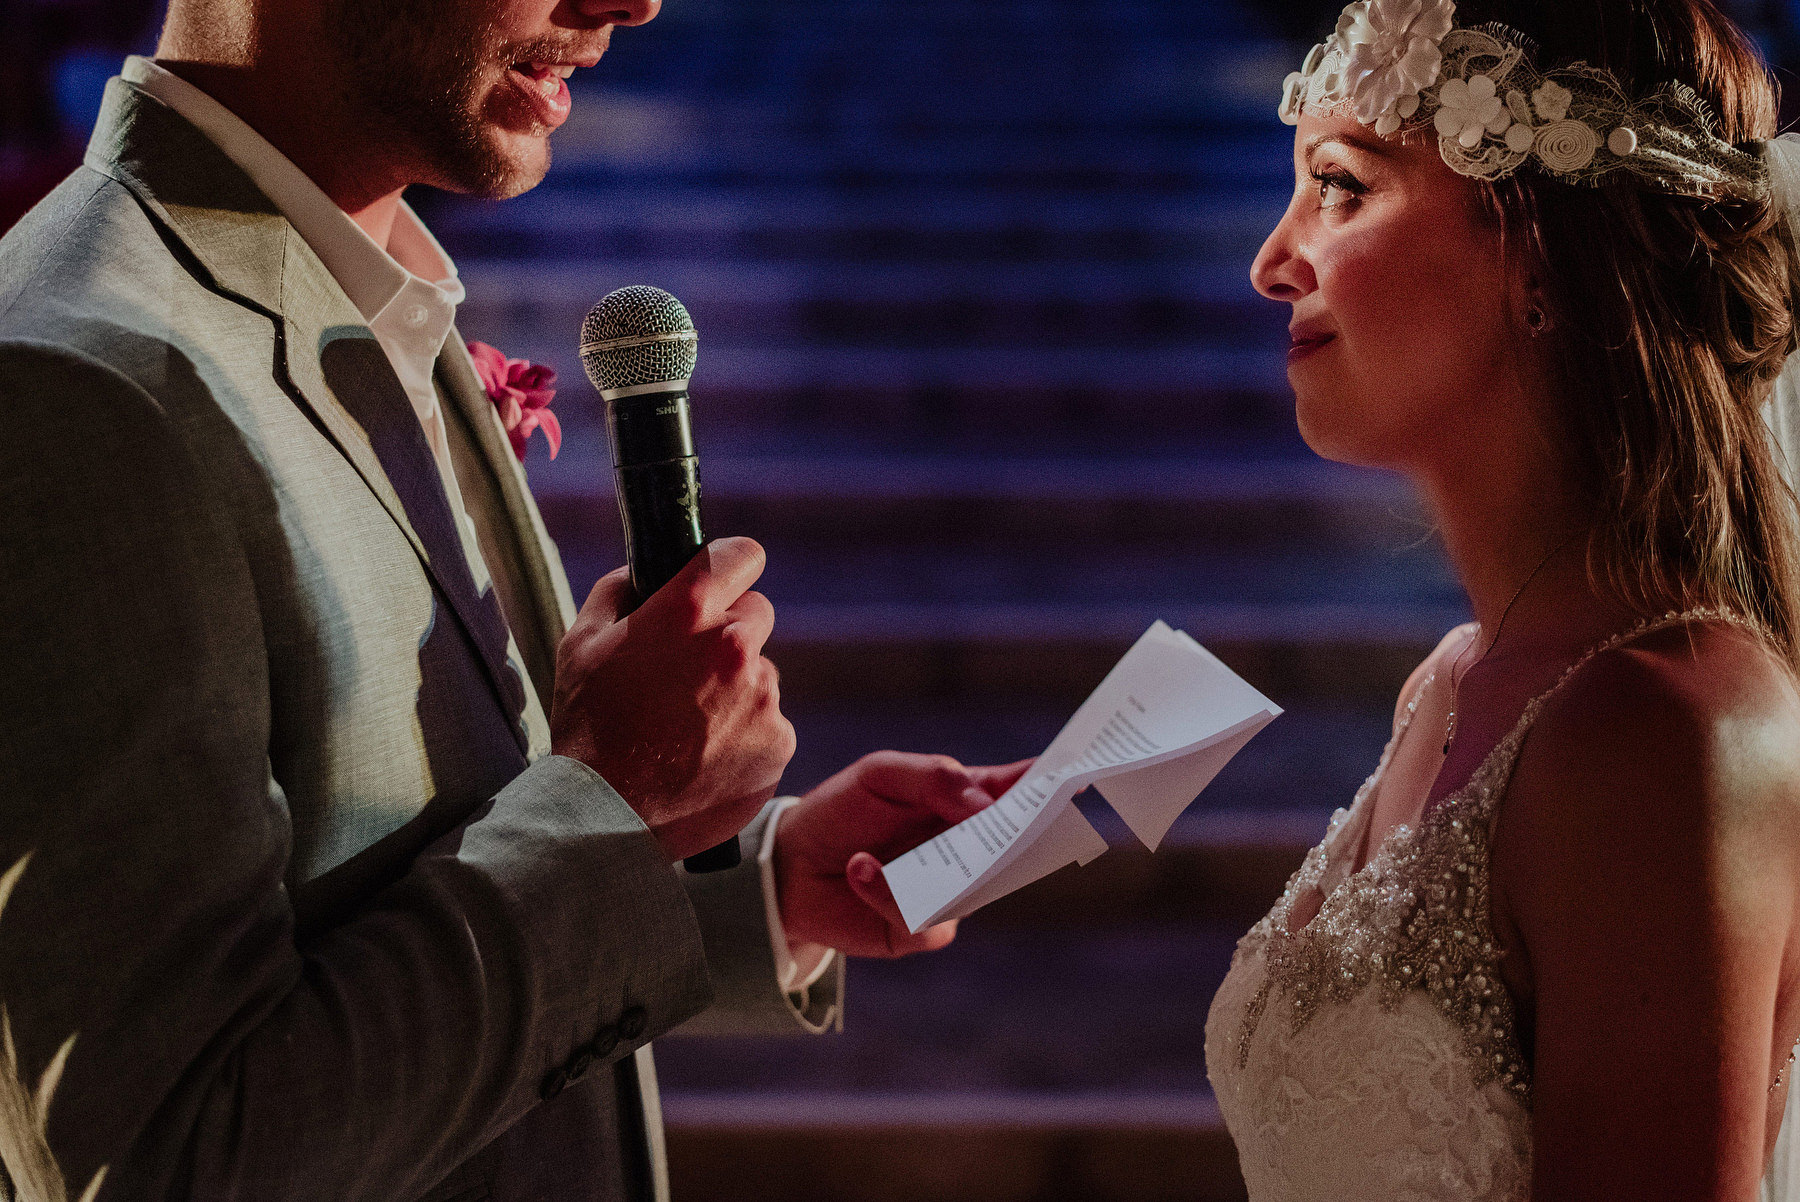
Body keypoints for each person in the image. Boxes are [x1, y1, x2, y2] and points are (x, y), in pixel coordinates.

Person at [0, 0, 1027, 1198]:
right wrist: (616, 806)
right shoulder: (72, 392)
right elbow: (176, 1158)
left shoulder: (362, 282)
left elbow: (383, 892)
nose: (630, 3)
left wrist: (756, 882)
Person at [1203, 1, 1800, 1197]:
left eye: (1340, 187)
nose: (1273, 260)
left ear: (1537, 253)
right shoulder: (1451, 683)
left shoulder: (1664, 729)